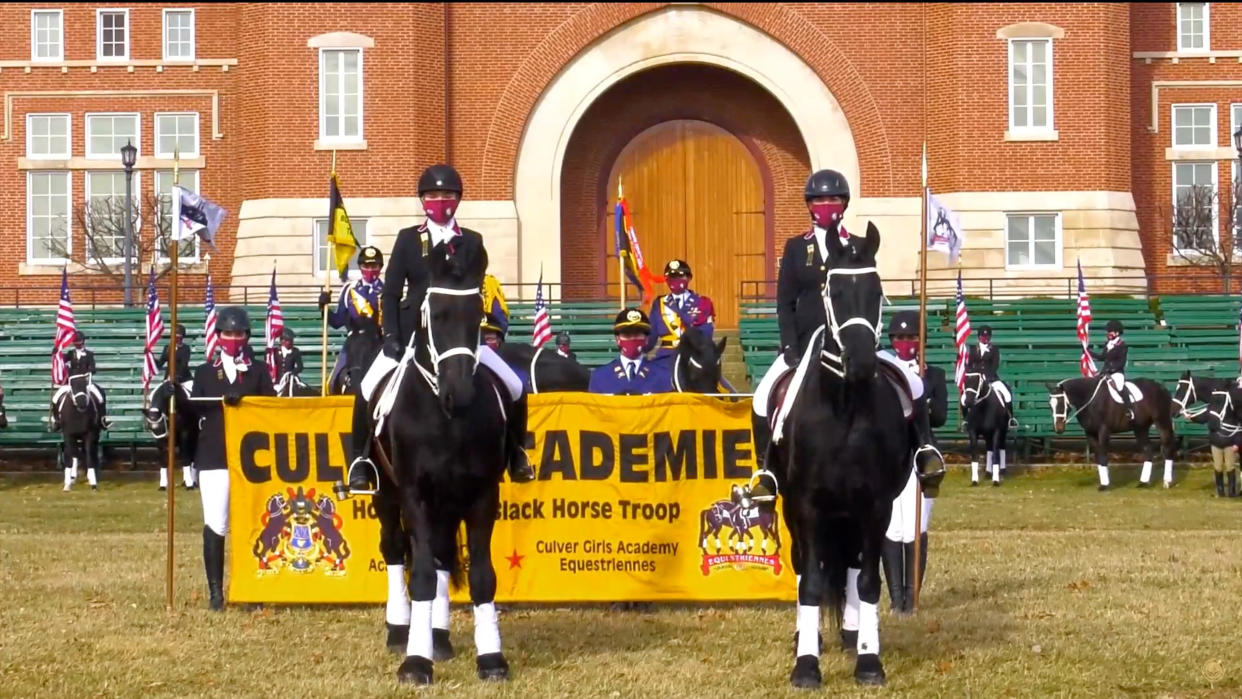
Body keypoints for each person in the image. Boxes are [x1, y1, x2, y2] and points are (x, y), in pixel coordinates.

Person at [750, 169, 945, 493]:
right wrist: (789, 348)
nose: (827, 205)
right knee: (761, 397)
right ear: (810, 205)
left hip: (854, 340)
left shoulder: (858, 245)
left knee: (910, 382)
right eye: (820, 200)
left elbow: (868, 293)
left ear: (844, 203)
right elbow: (785, 303)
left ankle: (925, 450)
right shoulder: (797, 248)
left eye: (834, 199)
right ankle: (766, 473)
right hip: (807, 342)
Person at [349, 163, 535, 493]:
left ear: (458, 200)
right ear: (423, 200)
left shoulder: (473, 242)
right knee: (366, 388)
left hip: (460, 340)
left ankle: (516, 453)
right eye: (433, 195)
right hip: (410, 340)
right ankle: (361, 463)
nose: (440, 201)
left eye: (447, 195)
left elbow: (476, 292)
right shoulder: (409, 239)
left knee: (515, 385)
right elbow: (391, 292)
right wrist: (390, 335)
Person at [190, 307, 275, 611]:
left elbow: (271, 409)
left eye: (239, 334)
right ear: (219, 336)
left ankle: (251, 589)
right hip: (214, 457)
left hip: (252, 459)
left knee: (253, 522)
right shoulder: (203, 373)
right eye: (228, 334)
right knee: (216, 523)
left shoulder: (260, 370)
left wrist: (245, 398)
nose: (234, 339)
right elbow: (195, 412)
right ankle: (216, 592)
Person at [879, 311, 947, 614]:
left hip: (920, 453)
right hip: (891, 454)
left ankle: (913, 597)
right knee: (892, 527)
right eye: (900, 337)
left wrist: (922, 402)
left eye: (912, 337)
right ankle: (896, 599)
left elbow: (941, 417)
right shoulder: (883, 370)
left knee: (914, 528)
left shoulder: (933, 375)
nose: (906, 342)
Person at [321, 246, 385, 393]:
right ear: (360, 267)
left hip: (378, 342)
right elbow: (337, 322)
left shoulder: (387, 290)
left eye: (374, 266)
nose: (370, 269)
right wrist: (324, 308)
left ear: (380, 267)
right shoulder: (349, 290)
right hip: (353, 343)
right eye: (366, 266)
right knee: (332, 383)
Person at [645, 259, 716, 366]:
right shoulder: (659, 303)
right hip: (665, 357)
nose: (675, 280)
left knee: (718, 382)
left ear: (689, 278)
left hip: (693, 357)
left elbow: (706, 333)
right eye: (671, 277)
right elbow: (651, 336)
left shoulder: (702, 303)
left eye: (680, 277)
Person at [588, 308, 673, 395]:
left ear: (646, 339)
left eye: (637, 334)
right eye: (627, 334)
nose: (632, 339)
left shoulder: (663, 376)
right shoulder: (600, 377)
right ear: (617, 339)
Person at [50, 331, 110, 431]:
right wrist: (56, 353)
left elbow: (93, 367)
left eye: (79, 341)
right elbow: (61, 360)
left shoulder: (89, 354)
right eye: (75, 342)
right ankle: (57, 420)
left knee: (100, 396)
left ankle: (101, 419)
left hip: (86, 382)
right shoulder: (71, 353)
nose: (77, 344)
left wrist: (89, 372)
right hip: (72, 382)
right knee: (56, 398)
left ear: (83, 342)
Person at [967, 325, 1017, 428]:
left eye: (987, 337)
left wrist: (987, 377)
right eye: (983, 337)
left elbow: (995, 365)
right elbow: (970, 365)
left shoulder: (994, 349)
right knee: (965, 396)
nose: (985, 339)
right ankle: (966, 419)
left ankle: (1011, 417)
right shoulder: (973, 349)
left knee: (1006, 393)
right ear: (979, 337)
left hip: (991, 379)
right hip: (976, 379)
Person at [1089, 320, 1131, 421]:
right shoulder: (1107, 344)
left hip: (1117, 373)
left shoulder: (1122, 345)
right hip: (1105, 372)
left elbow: (1121, 362)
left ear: (1117, 333)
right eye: (1108, 331)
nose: (1108, 333)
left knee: (1120, 387)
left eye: (1110, 331)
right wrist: (1088, 352)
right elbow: (1102, 357)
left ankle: (1128, 409)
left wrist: (1111, 370)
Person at [156, 324, 193, 388]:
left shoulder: (186, 348)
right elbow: (161, 362)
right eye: (176, 337)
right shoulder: (167, 347)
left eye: (179, 338)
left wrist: (177, 377)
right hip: (169, 378)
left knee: (191, 391)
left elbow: (184, 364)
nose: (177, 339)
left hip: (184, 379)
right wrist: (151, 358)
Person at [274, 328, 306, 395]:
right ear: (283, 341)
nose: (291, 342)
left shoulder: (295, 351)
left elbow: (300, 366)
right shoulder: (275, 351)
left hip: (291, 380)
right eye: (289, 340)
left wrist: (292, 373)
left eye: (292, 340)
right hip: (278, 381)